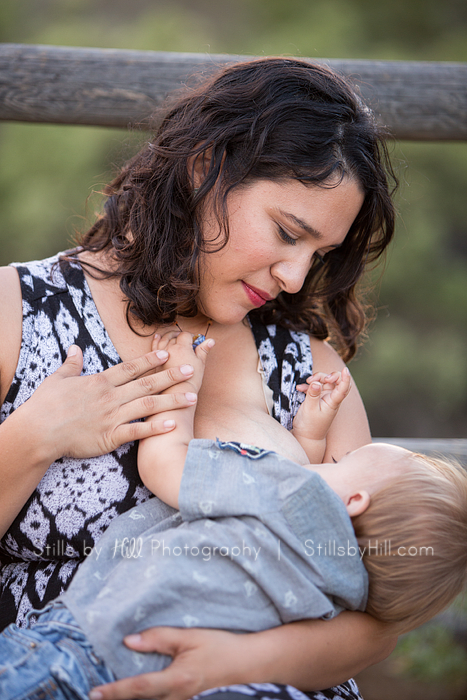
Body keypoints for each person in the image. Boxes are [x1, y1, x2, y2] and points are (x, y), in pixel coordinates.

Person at [0, 56, 399, 700]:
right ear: (204, 165)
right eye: (285, 232)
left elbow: (375, 616)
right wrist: (34, 436)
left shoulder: (310, 373)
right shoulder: (18, 315)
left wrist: (228, 667)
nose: (295, 277)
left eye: (318, 254)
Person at [0, 331, 466, 700]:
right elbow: (280, 510)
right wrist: (308, 437)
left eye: (342, 465)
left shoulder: (289, 492)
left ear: (355, 501)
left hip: (79, 650)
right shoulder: (338, 594)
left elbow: (167, 467)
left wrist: (183, 384)